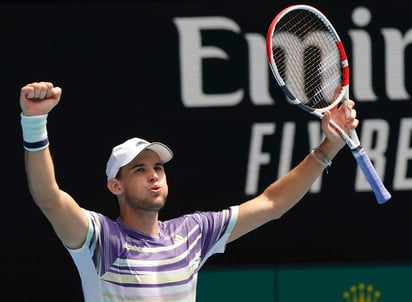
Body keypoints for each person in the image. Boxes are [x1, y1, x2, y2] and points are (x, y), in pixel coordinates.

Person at [20, 81, 358, 302]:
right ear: (115, 185)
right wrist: (34, 122)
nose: (154, 176)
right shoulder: (100, 240)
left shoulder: (191, 234)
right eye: (140, 169)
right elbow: (48, 196)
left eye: (159, 168)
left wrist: (327, 147)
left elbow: (272, 203)